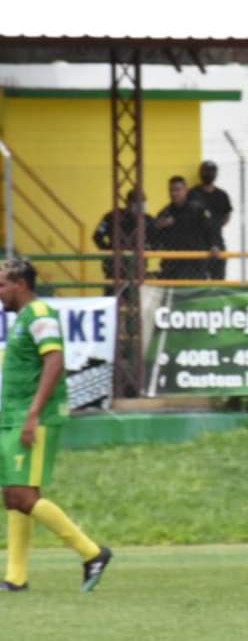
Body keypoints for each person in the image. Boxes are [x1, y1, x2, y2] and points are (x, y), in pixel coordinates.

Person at [0, 260, 112, 593]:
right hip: (15, 414)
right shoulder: (23, 319)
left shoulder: (41, 315)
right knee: (14, 494)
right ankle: (16, 577)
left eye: (2, 284)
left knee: (22, 494)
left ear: (20, 284)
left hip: (35, 416)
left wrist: (33, 415)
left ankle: (92, 553)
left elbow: (55, 360)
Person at [92, 188, 155, 294]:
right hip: (115, 266)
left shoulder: (148, 220)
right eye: (137, 202)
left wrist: (150, 248)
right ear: (128, 203)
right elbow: (97, 236)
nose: (141, 206)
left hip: (137, 267)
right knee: (113, 298)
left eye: (143, 202)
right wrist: (108, 251)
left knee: (135, 300)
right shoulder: (111, 217)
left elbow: (156, 238)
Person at [155, 175, 214, 280]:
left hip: (195, 265)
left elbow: (210, 231)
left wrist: (214, 245)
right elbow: (156, 239)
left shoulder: (197, 210)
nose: (174, 193)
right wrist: (159, 227)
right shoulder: (165, 213)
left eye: (178, 190)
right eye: (171, 190)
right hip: (172, 267)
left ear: (186, 190)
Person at [188, 161, 233, 280]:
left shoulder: (222, 195)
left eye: (211, 171)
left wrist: (215, 226)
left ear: (216, 174)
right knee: (198, 278)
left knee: (218, 278)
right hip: (197, 242)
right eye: (205, 171)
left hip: (217, 242)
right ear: (200, 173)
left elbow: (227, 215)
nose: (208, 174)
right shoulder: (193, 194)